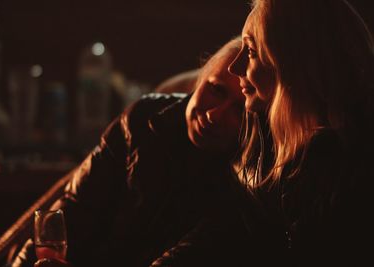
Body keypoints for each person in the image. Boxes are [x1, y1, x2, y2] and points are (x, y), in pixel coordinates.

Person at [12, 37, 245, 267]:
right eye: (216, 90)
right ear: (200, 78)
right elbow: (69, 213)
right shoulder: (143, 119)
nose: (215, 114)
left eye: (239, 109)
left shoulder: (246, 173)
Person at [229, 0, 374, 266]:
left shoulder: (372, 170)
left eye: (250, 51)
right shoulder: (266, 139)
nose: (233, 68)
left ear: (294, 62)